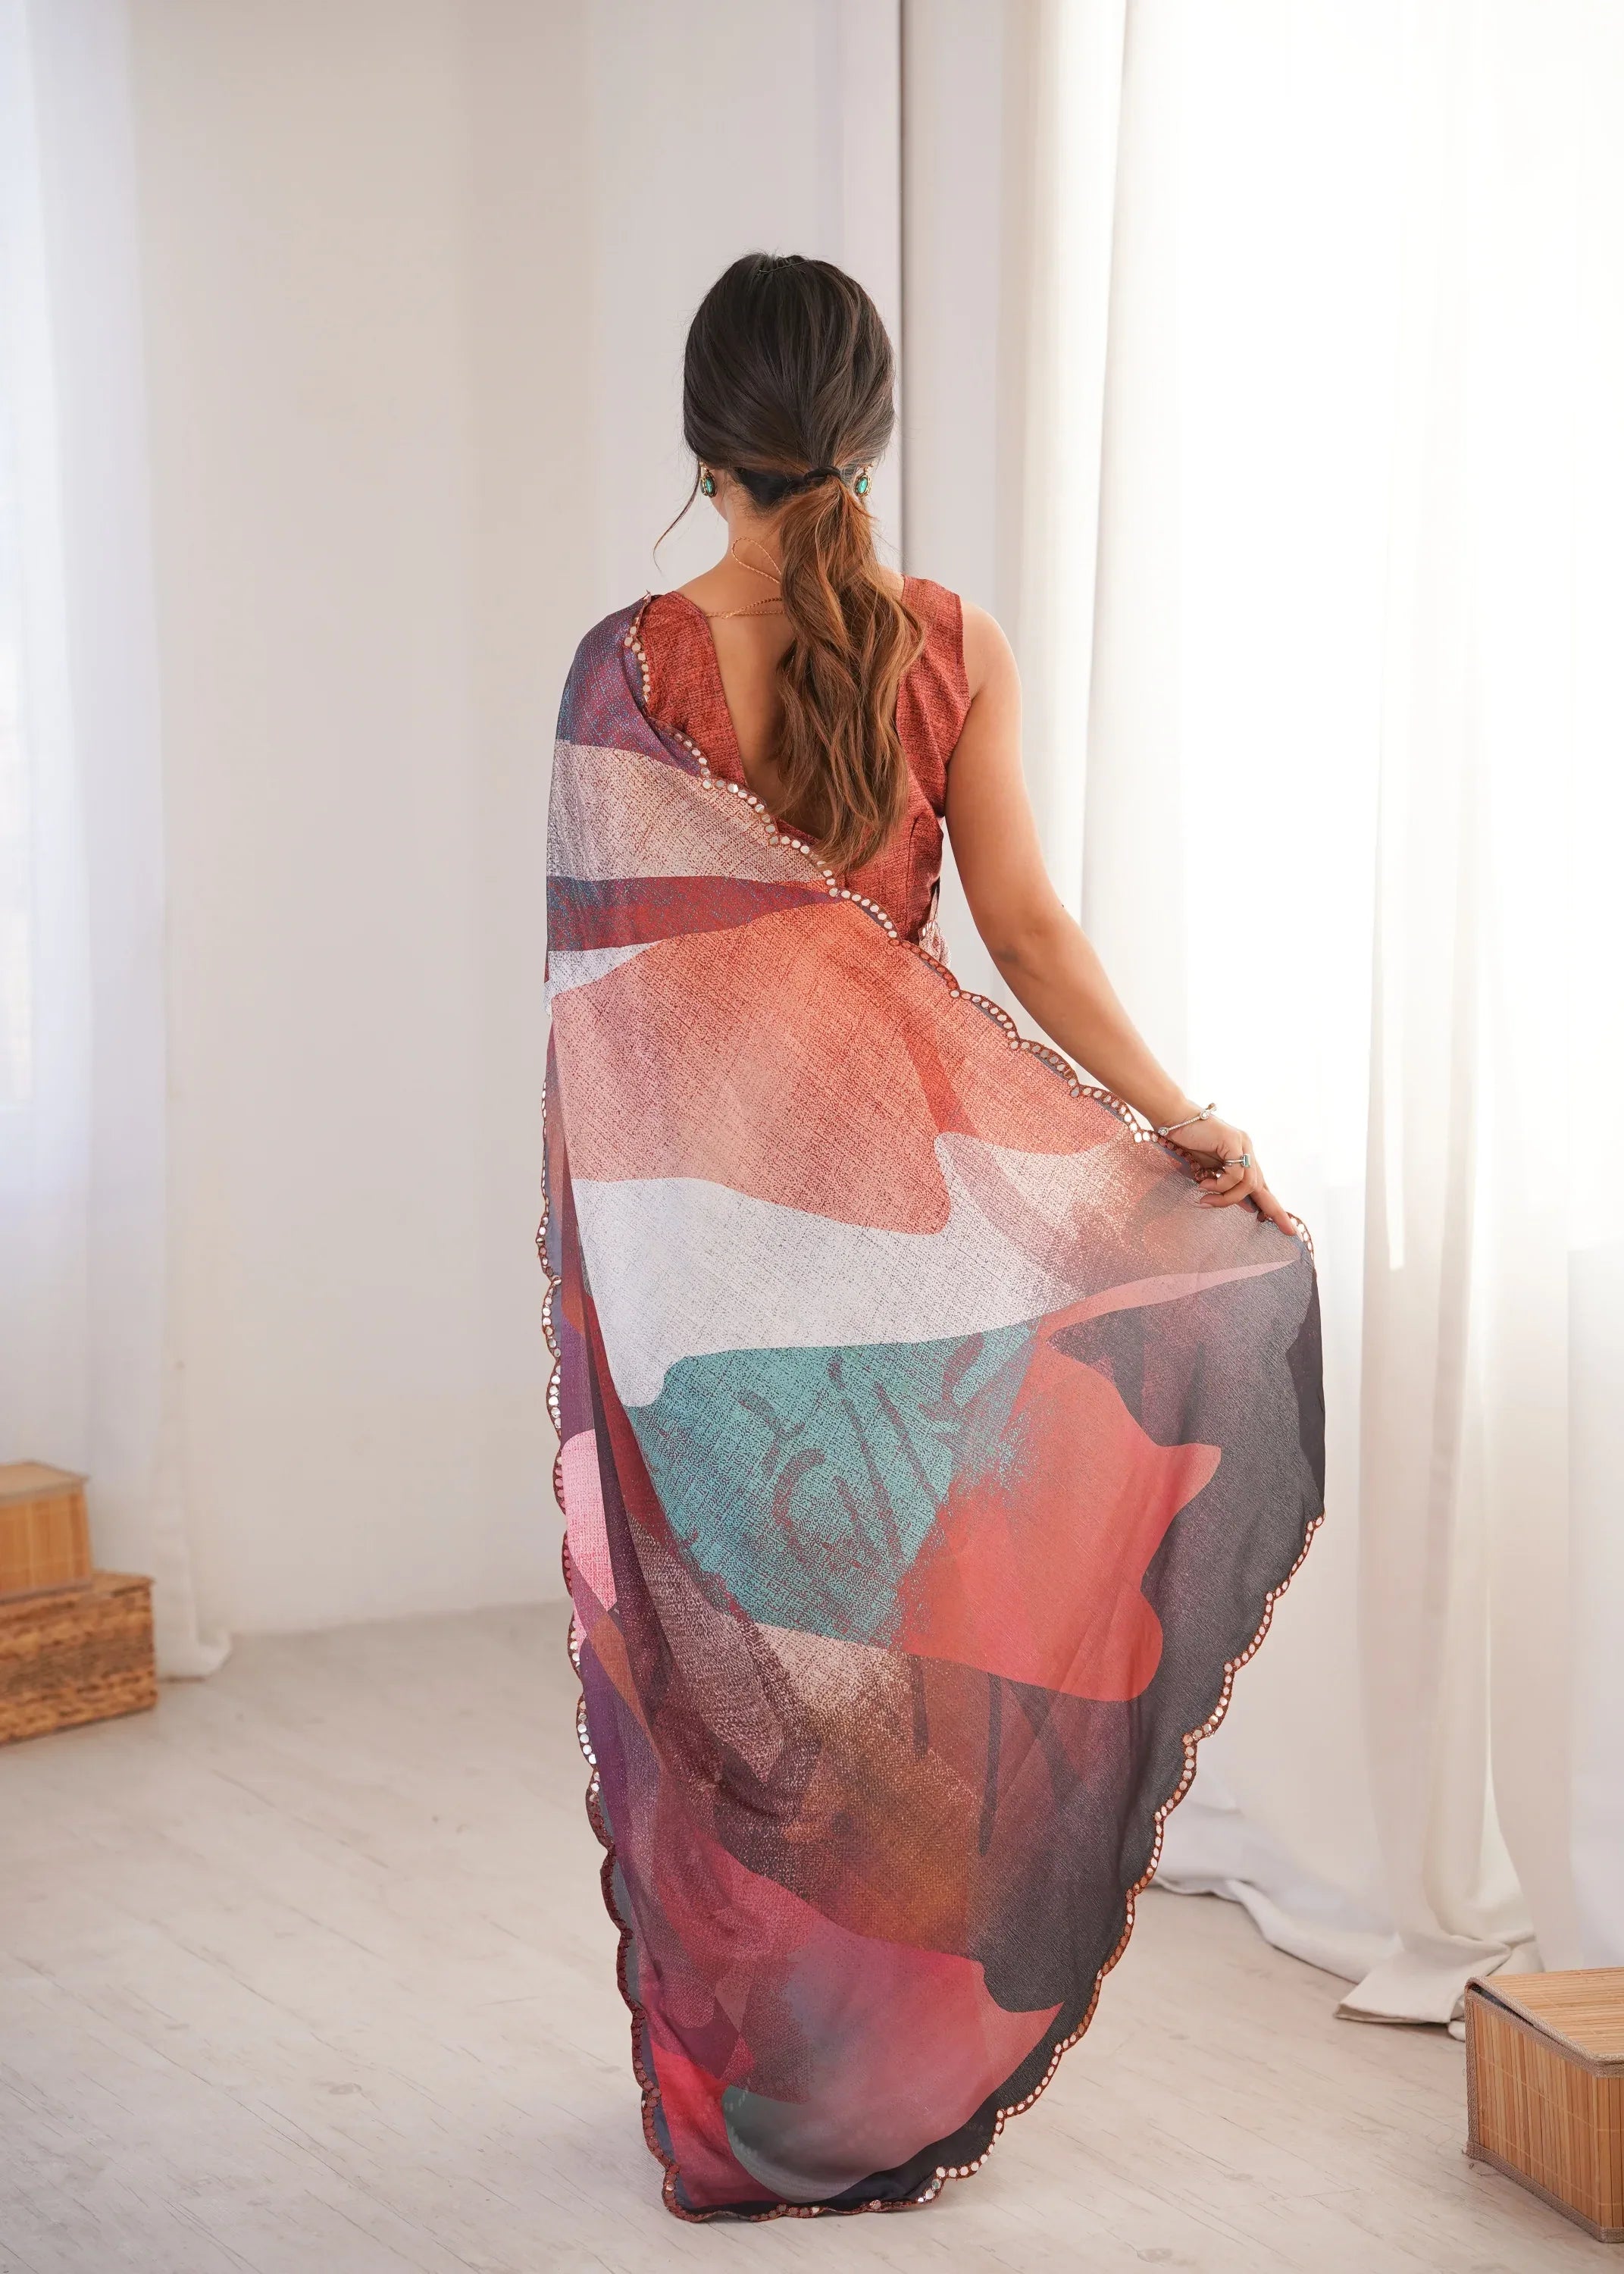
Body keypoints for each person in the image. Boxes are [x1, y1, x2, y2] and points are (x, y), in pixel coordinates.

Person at [541, 252, 1324, 2222]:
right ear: (870, 429)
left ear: (700, 431)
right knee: (889, 1670)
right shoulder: (948, 638)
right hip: (905, 1262)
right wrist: (1175, 1120)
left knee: (733, 1675)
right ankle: (870, 2081)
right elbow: (1029, 934)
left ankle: (754, 2093)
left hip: (702, 1273)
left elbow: (610, 1013)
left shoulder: (625, 667)